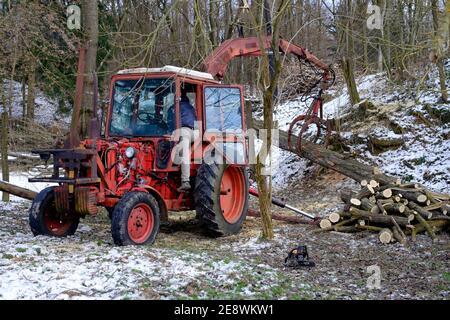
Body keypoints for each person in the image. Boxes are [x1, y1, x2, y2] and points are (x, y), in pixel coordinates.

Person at [172, 90, 196, 192]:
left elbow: (170, 122)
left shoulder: (175, 108)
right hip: (195, 131)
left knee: (183, 148)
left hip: (184, 131)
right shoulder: (191, 107)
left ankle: (185, 180)